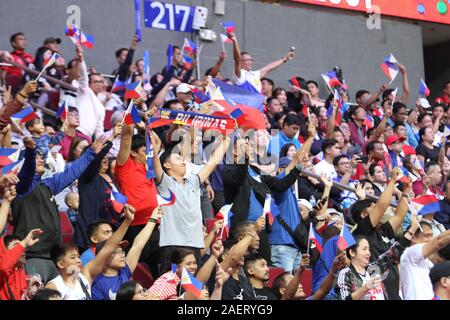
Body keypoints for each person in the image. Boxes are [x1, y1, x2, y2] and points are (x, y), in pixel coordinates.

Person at [12, 136, 105, 283]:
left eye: (40, 157)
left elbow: (71, 173)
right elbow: (26, 174)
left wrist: (91, 153)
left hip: (54, 258)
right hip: (34, 258)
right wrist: (30, 153)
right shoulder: (20, 189)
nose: (41, 159)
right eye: (36, 158)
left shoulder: (47, 185)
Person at [151, 131, 230, 270]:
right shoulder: (165, 183)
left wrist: (228, 138)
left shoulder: (193, 181)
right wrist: (155, 149)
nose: (183, 160)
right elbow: (155, 163)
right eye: (177, 158)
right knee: (172, 288)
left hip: (194, 243)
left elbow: (213, 161)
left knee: (194, 288)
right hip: (172, 244)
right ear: (167, 166)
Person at [45, 204, 135, 299]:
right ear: (60, 264)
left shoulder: (85, 275)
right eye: (72, 257)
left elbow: (108, 248)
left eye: (78, 256)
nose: (79, 260)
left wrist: (127, 221)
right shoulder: (53, 287)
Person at [350, 169, 412, 300]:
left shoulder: (382, 230)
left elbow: (399, 215)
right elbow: (382, 206)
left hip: (394, 290)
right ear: (364, 215)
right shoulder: (361, 231)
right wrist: (393, 180)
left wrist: (406, 191)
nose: (381, 212)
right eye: (373, 208)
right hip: (376, 292)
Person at [115, 123, 159, 277]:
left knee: (158, 271)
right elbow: (126, 138)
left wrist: (147, 126)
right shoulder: (124, 165)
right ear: (133, 153)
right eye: (144, 151)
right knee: (133, 272)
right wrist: (129, 119)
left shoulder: (150, 166)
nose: (148, 154)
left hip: (153, 224)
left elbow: (157, 143)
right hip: (134, 226)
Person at [91, 206, 163, 300]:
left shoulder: (124, 272)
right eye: (117, 252)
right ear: (104, 256)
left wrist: (153, 218)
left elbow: (138, 245)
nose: (122, 254)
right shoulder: (97, 282)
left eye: (122, 251)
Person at [73, 122, 122, 249]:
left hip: (111, 234)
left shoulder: (112, 179)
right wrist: (111, 138)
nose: (105, 158)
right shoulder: (87, 177)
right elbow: (95, 160)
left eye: (106, 155)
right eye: (101, 155)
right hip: (90, 237)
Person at [228, 31, 294, 94]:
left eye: (251, 60)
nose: (251, 62)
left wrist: (285, 59)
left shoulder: (254, 74)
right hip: (243, 104)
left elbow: (269, 67)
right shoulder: (239, 74)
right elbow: (237, 58)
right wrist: (234, 40)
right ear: (241, 62)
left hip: (255, 105)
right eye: (248, 60)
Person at [400, 220, 450, 300]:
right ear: (413, 237)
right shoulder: (409, 254)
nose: (430, 239)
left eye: (432, 236)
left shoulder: (429, 263)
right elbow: (438, 242)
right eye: (427, 236)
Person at [1, 225, 42, 300]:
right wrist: (23, 243)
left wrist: (31, 294)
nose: (22, 250)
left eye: (22, 247)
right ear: (4, 252)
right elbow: (3, 268)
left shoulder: (25, 277)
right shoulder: (2, 274)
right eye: (17, 246)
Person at [74, 45, 105, 139]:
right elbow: (83, 77)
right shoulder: (85, 91)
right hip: (75, 131)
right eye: (96, 82)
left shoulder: (101, 107)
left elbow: (99, 129)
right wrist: (81, 59)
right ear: (89, 83)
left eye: (101, 82)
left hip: (87, 138)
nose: (99, 84)